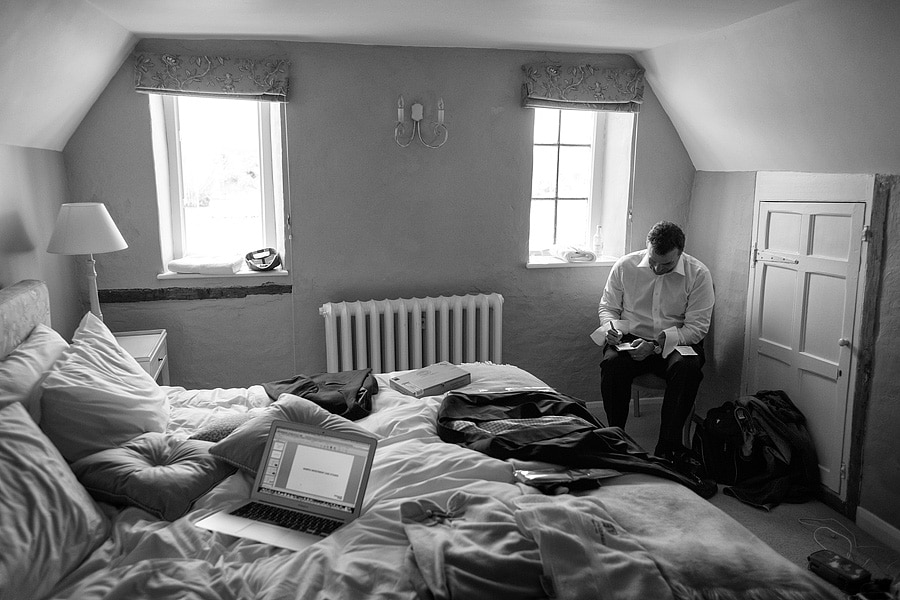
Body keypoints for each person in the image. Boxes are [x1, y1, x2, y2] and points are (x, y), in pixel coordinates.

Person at [598, 221, 715, 463]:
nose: (658, 268)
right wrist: (612, 329)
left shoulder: (699, 274)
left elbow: (697, 328)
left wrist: (657, 345)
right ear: (647, 247)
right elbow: (608, 307)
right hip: (630, 336)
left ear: (680, 253)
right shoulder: (625, 266)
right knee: (611, 364)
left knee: (688, 367)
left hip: (677, 339)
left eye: (667, 264)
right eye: (653, 261)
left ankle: (669, 447)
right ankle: (616, 437)